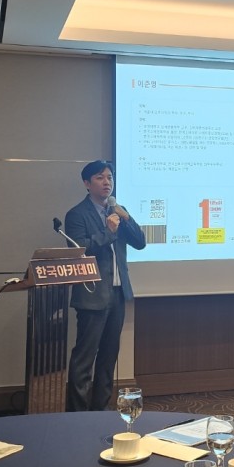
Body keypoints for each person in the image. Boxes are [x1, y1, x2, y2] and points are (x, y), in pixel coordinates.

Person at [64, 160, 145, 411]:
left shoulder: (118, 211)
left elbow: (140, 242)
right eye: (100, 178)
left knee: (109, 358)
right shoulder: (77, 214)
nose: (107, 182)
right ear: (87, 183)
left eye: (109, 177)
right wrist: (109, 232)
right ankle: (77, 415)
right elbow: (79, 250)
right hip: (92, 295)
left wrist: (126, 217)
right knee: (84, 359)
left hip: (118, 293)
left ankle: (100, 411)